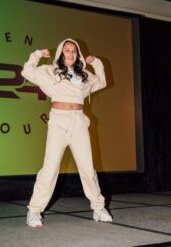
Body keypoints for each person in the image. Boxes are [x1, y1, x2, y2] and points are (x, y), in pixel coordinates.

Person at [21, 38, 113, 227]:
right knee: (50, 168)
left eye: (73, 51)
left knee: (87, 168)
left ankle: (98, 208)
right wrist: (37, 54)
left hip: (78, 121)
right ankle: (34, 211)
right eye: (67, 50)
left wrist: (95, 62)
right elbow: (27, 71)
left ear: (77, 54)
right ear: (61, 54)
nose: (70, 54)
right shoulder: (49, 71)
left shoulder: (85, 75)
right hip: (58, 121)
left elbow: (102, 81)